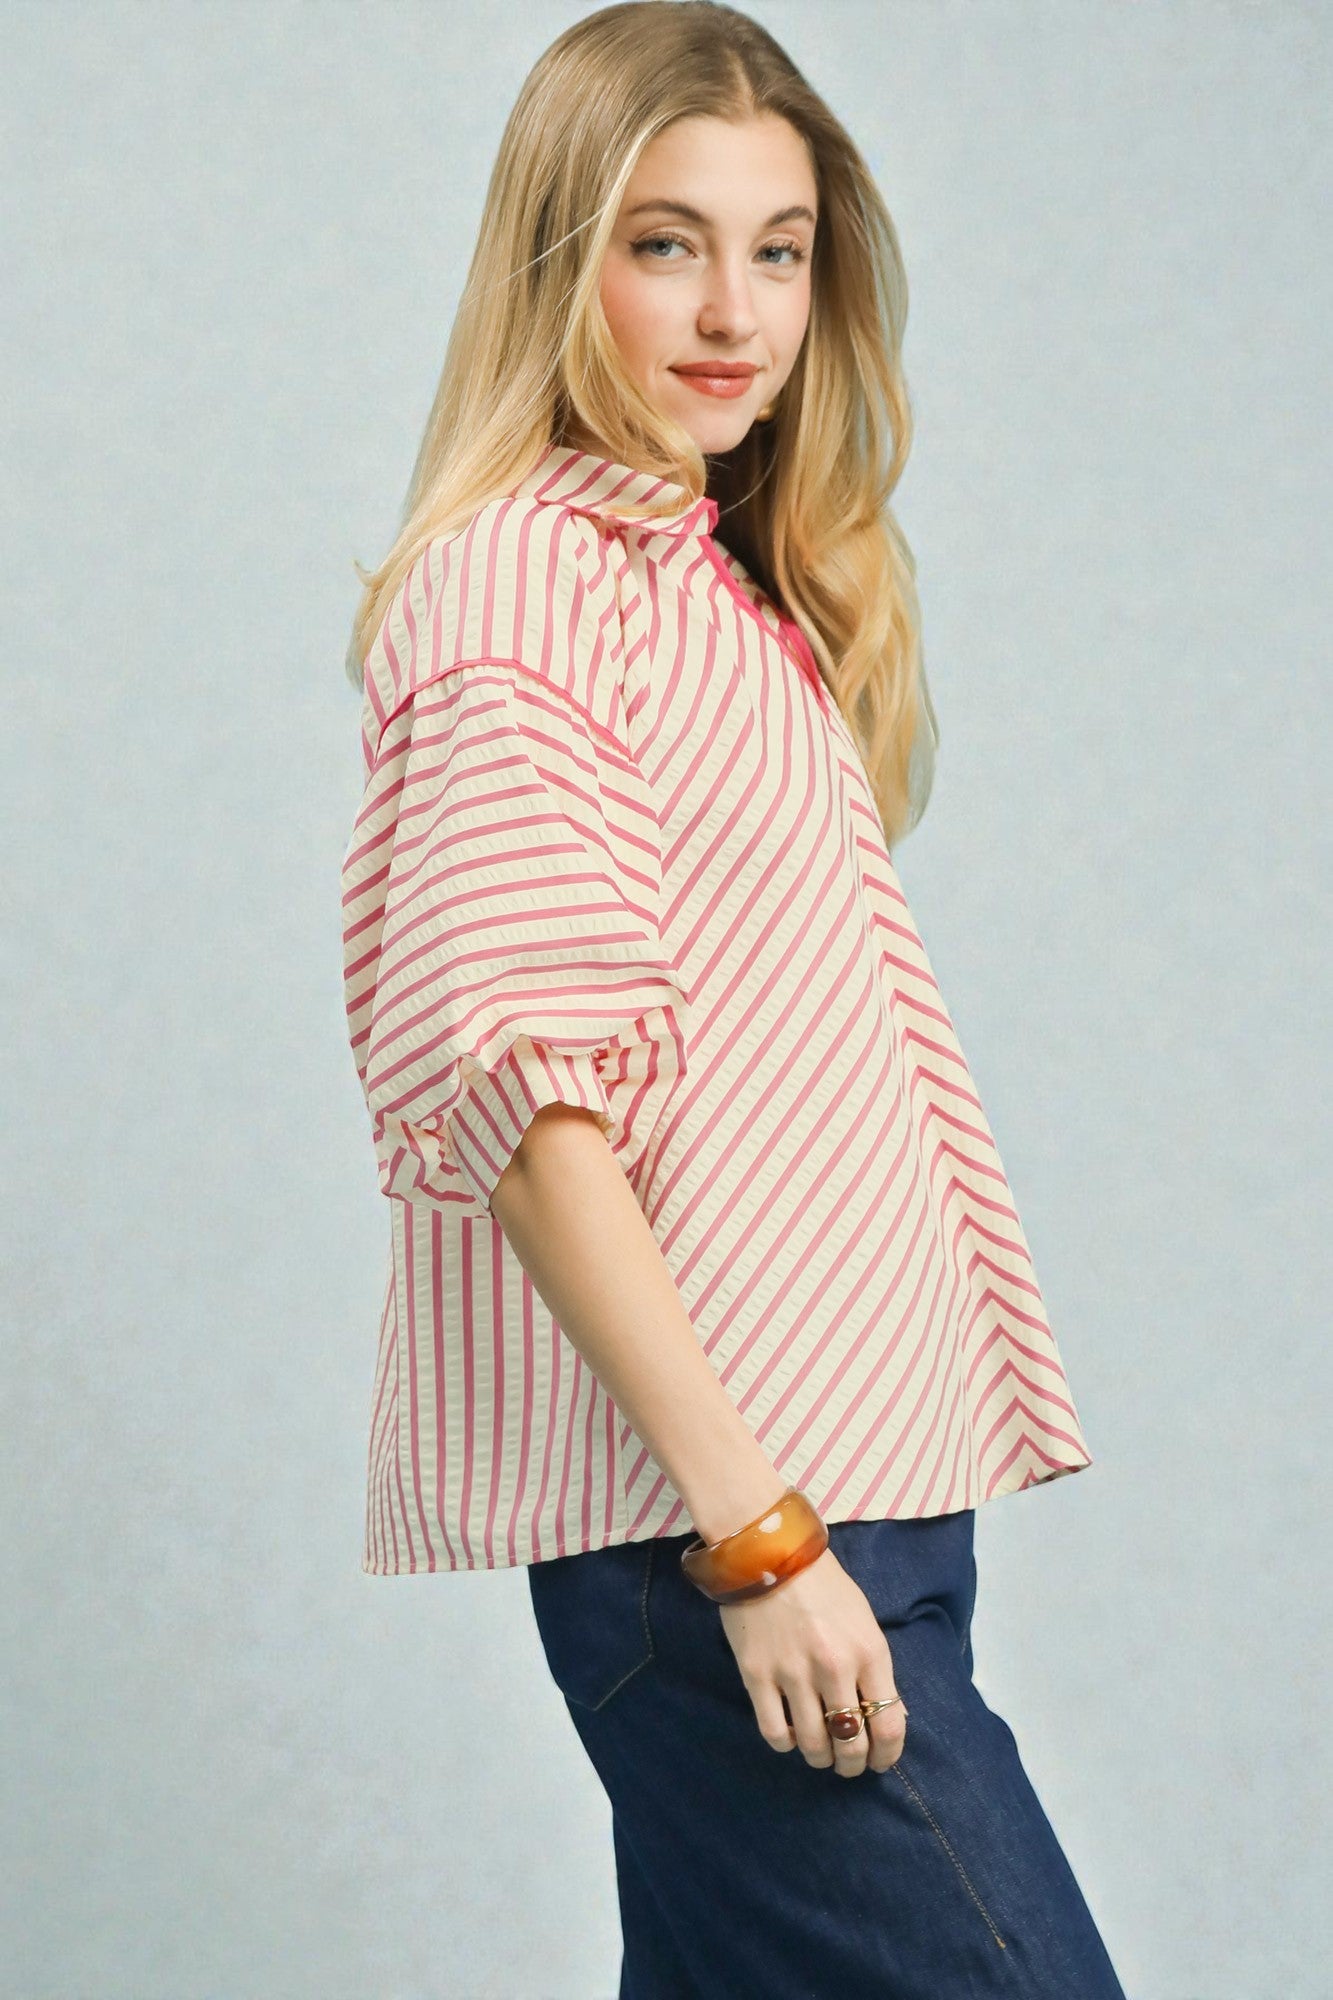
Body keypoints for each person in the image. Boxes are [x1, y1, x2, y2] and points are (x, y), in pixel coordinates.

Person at [338, 4, 1128, 1994]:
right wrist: (760, 1540)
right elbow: (531, 1113)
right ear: (555, 258)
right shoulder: (525, 588)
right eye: (662, 240)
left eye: (777, 250)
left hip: (841, 1502)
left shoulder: (706, 581)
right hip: (737, 1527)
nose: (732, 311)